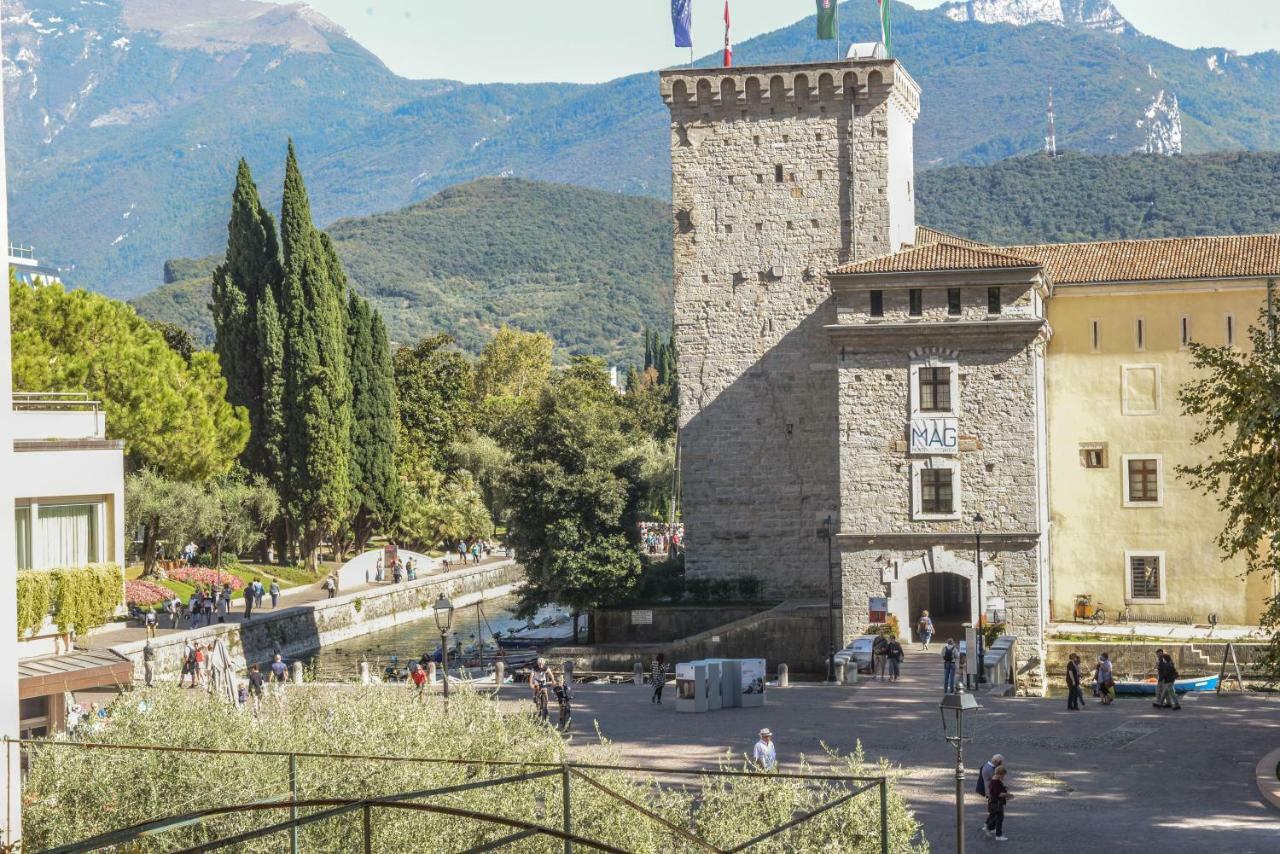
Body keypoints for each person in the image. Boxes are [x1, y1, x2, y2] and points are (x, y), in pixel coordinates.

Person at [984, 765, 1011, 841]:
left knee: (996, 816)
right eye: (1003, 775)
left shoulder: (994, 780)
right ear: (1000, 774)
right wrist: (1008, 795)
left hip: (994, 802)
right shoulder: (996, 782)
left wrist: (1004, 788)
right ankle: (998, 835)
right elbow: (998, 794)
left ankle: (990, 827)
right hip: (996, 802)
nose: (1003, 777)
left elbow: (997, 790)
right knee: (1000, 818)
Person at [529, 657, 552, 723]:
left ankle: (546, 703)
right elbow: (531, 676)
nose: (541, 666)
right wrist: (531, 684)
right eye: (539, 664)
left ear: (544, 664)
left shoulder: (546, 667)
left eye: (542, 664)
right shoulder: (534, 668)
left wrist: (553, 681)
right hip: (536, 681)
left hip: (543, 681)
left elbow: (551, 674)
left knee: (545, 690)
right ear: (538, 664)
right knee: (535, 688)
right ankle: (534, 697)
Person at [553, 667, 573, 731]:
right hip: (560, 700)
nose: (560, 683)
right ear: (557, 682)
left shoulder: (565, 686)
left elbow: (570, 690)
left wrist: (571, 695)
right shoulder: (556, 688)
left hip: (566, 699)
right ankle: (561, 720)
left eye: (561, 682)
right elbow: (553, 693)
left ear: (563, 681)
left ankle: (568, 720)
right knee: (561, 709)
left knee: (568, 708)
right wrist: (555, 697)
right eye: (558, 682)